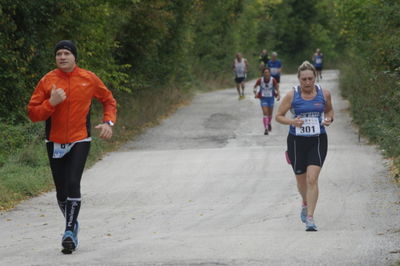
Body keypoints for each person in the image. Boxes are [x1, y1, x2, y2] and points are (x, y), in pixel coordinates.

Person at [27, 40, 117, 253]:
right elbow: (33, 113)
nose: (62, 57)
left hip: (80, 138)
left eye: (67, 53)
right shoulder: (48, 81)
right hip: (55, 141)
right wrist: (52, 103)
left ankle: (68, 231)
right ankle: (73, 222)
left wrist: (108, 122)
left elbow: (109, 100)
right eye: (59, 53)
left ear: (75, 57)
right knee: (61, 192)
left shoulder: (88, 78)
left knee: (73, 182)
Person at [275, 61, 334, 231]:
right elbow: (279, 116)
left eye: (310, 79)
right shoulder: (292, 95)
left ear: (315, 78)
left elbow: (329, 111)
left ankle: (310, 218)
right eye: (304, 80)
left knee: (312, 179)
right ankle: (305, 202)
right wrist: (292, 121)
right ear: (299, 80)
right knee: (301, 181)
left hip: (317, 140)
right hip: (296, 142)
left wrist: (329, 119)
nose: (307, 83)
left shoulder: (324, 94)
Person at [253, 67, 280, 135]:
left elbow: (277, 88)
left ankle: (269, 123)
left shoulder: (273, 80)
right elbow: (255, 87)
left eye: (268, 72)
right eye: (265, 72)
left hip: (271, 99)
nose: (266, 74)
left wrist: (278, 95)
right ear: (263, 73)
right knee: (265, 113)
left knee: (270, 114)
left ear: (270, 73)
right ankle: (266, 128)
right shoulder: (260, 80)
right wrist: (255, 93)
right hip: (263, 98)